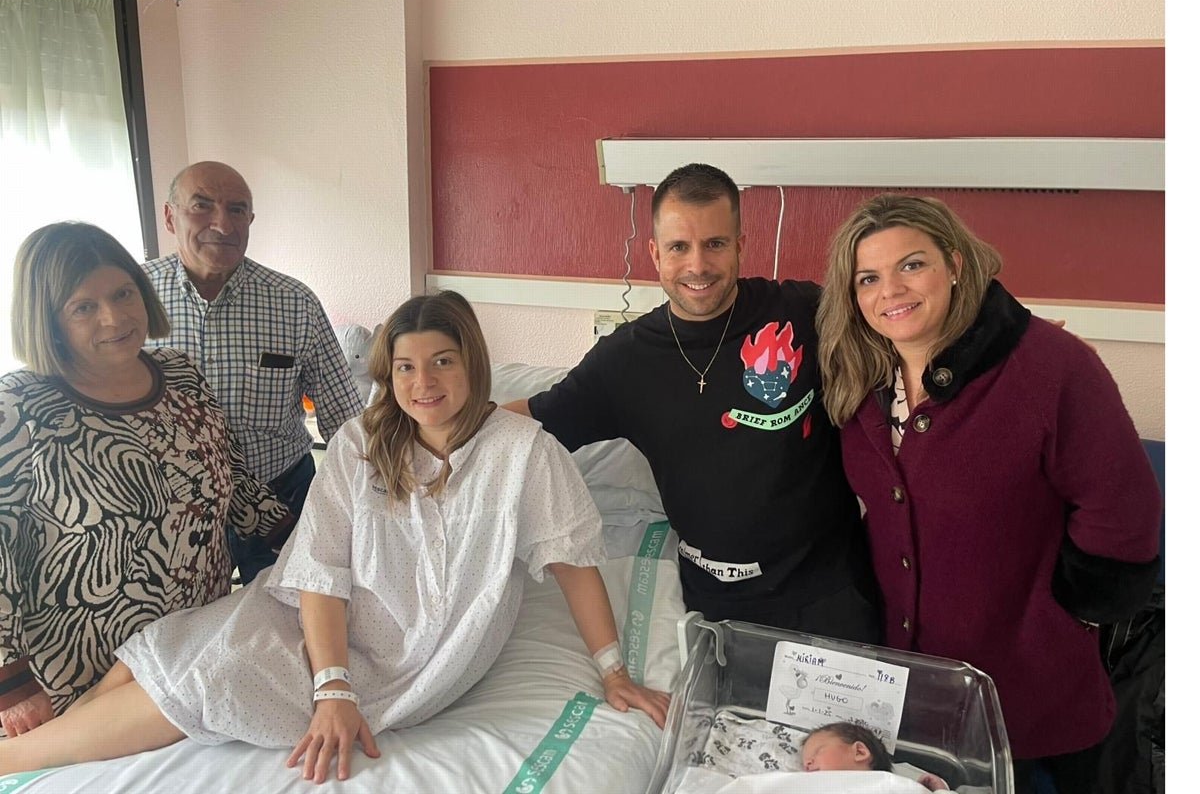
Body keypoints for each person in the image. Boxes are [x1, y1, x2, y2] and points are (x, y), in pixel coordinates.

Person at [0, 290, 670, 782]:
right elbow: (318, 569)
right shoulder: (361, 441)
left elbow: (573, 560)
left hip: (407, 644)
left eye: (442, 362)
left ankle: (17, 762)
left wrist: (614, 671)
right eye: (405, 368)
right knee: (158, 649)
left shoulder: (524, 452)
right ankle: (45, 744)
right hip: (314, 612)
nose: (423, 383)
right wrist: (333, 688)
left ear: (473, 364)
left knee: (216, 674)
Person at [814, 194, 1162, 794]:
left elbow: (1124, 510)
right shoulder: (860, 374)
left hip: (1036, 677)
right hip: (926, 688)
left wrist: (1064, 611)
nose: (890, 290)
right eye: (868, 278)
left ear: (953, 262)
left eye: (911, 265)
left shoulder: (1051, 367)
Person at [506, 163, 879, 642]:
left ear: (740, 245)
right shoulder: (626, 361)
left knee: (850, 720)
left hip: (830, 593)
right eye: (680, 247)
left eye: (715, 244)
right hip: (718, 602)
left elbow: (903, 332)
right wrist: (412, 421)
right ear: (655, 253)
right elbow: (531, 421)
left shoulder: (805, 315)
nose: (698, 266)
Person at [0, 223, 294, 738]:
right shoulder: (17, 409)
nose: (114, 317)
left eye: (123, 293)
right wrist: (11, 684)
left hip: (192, 655)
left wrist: (302, 539)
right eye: (83, 306)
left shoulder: (180, 374)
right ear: (47, 319)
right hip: (81, 681)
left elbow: (232, 475)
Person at [144, 161, 363, 585]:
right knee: (188, 632)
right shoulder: (132, 299)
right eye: (202, 206)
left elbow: (346, 420)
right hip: (173, 506)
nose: (222, 224)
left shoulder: (294, 302)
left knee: (292, 615)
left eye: (237, 209)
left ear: (251, 219)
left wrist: (366, 506)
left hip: (282, 497)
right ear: (170, 216)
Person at [801, 722, 948, 790]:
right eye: (805, 762)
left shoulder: (892, 786)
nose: (807, 764)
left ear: (859, 752)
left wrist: (940, 791)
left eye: (817, 752)